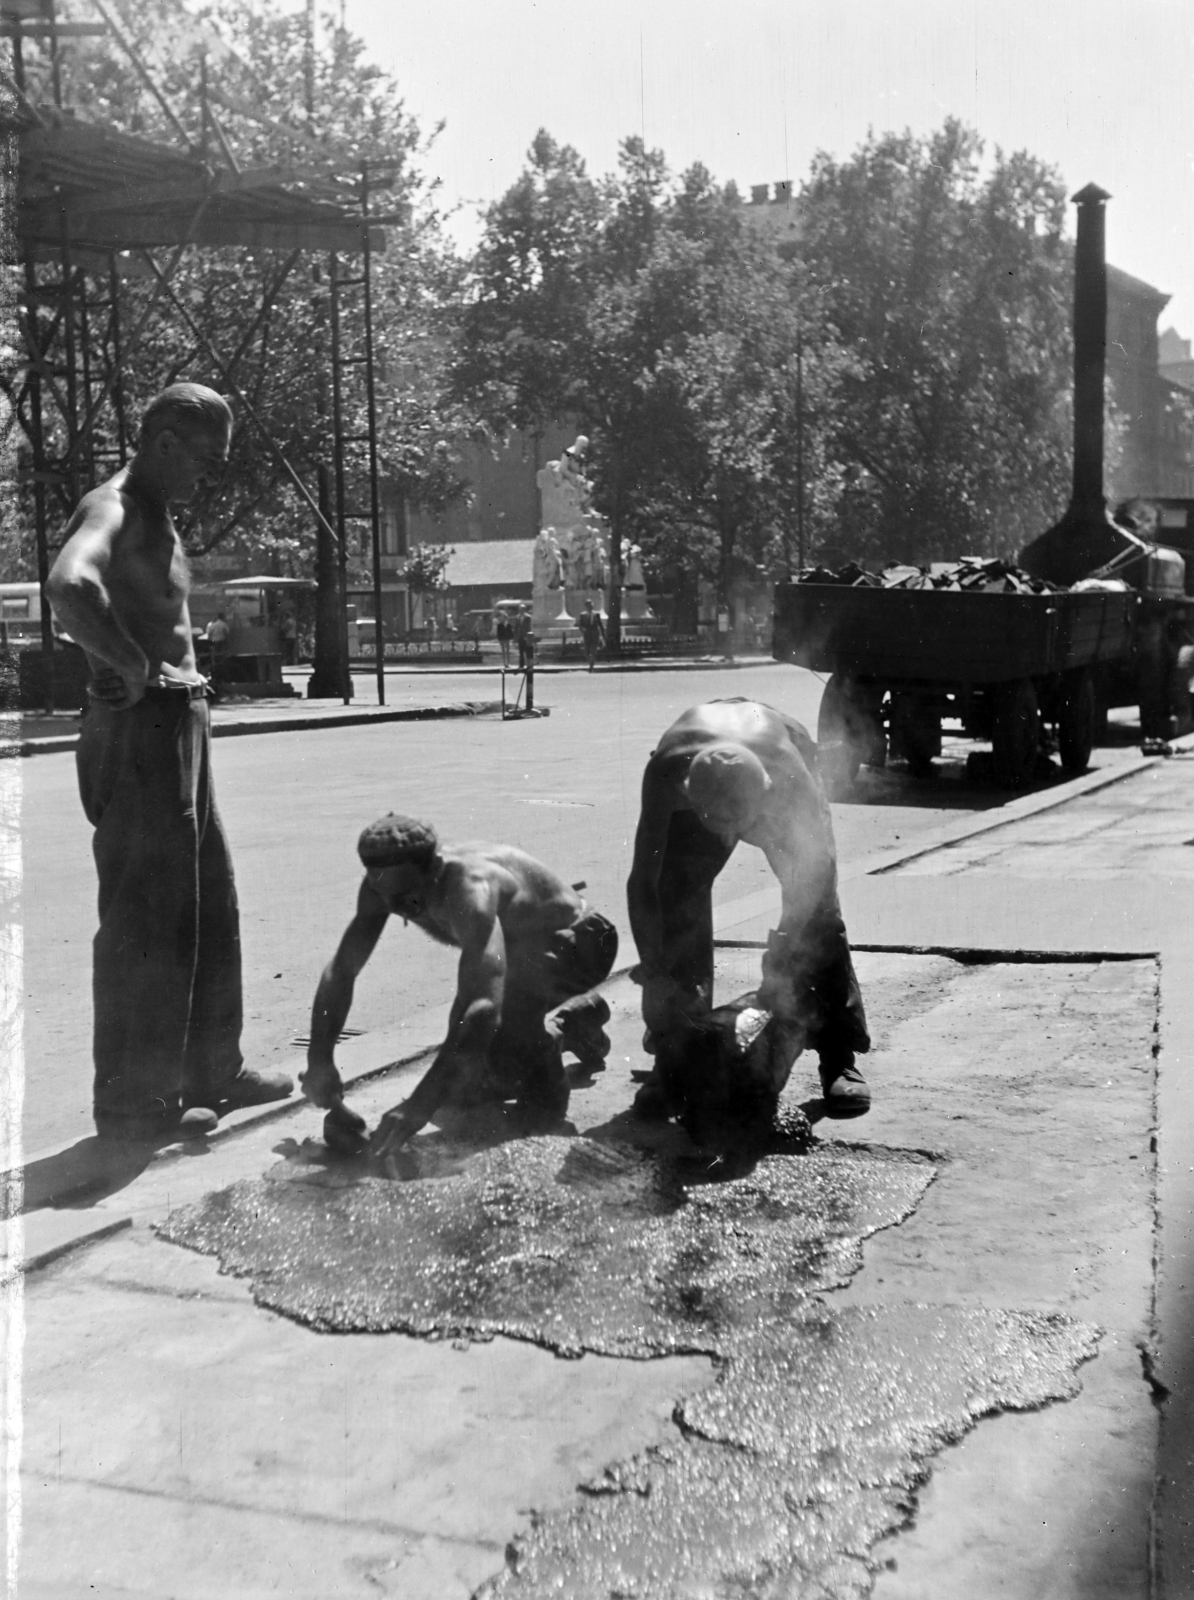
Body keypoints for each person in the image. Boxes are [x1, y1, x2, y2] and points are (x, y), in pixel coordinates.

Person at [46, 382, 293, 1143]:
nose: (206, 477)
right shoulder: (113, 506)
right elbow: (68, 585)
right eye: (203, 460)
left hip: (180, 718)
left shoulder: (157, 513)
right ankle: (133, 1100)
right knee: (146, 915)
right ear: (162, 443)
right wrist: (123, 657)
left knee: (208, 901)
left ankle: (212, 1067)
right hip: (142, 729)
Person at [301, 814, 618, 1173]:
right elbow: (342, 971)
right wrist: (320, 1059)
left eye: (407, 897)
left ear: (434, 867)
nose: (398, 908)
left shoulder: (471, 889)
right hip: (516, 950)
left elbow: (483, 1007)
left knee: (505, 1065)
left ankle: (550, 1079)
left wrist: (417, 1105)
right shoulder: (385, 887)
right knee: (459, 1091)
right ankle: (573, 1021)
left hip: (580, 943)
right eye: (385, 896)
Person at [626, 698, 871, 1138]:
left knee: (818, 916)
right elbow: (644, 883)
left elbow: (814, 875)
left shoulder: (789, 783)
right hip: (717, 774)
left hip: (775, 755)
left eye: (738, 823)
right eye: (716, 822)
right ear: (688, 791)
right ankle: (677, 1058)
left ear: (764, 794)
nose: (728, 836)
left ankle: (838, 1055)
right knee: (676, 895)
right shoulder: (665, 774)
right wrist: (654, 965)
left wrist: (788, 943)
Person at [577, 599, 605, 671]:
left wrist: (603, 635)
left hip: (595, 635)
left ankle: (591, 666)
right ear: (586, 606)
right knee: (586, 652)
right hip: (587, 635)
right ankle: (591, 663)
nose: (590, 607)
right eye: (588, 605)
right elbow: (580, 625)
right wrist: (583, 630)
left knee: (593, 651)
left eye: (591, 605)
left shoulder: (597, 614)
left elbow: (600, 625)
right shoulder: (582, 615)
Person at [204, 608, 230, 680]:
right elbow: (227, 633)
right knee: (222, 656)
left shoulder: (213, 625)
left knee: (215, 657)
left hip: (214, 642)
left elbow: (209, 634)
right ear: (223, 617)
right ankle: (222, 668)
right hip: (222, 642)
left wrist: (209, 643)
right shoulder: (224, 624)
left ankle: (215, 669)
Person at [515, 606, 533, 670]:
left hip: (526, 636)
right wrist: (516, 637)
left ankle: (528, 664)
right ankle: (521, 665)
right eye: (520, 609)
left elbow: (529, 627)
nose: (521, 610)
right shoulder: (517, 617)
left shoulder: (528, 617)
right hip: (520, 636)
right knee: (521, 652)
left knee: (527, 651)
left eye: (522, 609)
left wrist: (527, 636)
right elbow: (516, 627)